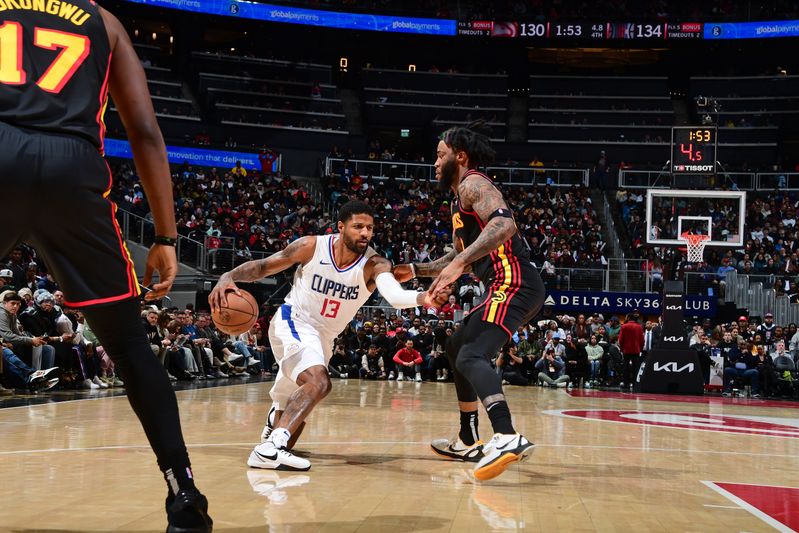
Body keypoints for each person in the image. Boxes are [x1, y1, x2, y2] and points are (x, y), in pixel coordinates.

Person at [0, 2, 211, 529]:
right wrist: (164, 234)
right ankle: (184, 496)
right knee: (129, 346)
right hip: (73, 169)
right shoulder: (105, 21)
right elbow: (143, 131)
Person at [209, 200, 437, 471]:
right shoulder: (311, 246)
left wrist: (423, 297)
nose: (365, 233)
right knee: (320, 382)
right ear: (341, 227)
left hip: (324, 338)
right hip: (293, 320)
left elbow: (395, 296)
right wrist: (228, 276)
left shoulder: (375, 264)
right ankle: (269, 450)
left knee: (294, 419)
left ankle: (276, 423)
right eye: (358, 227)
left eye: (370, 228)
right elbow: (263, 267)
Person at [394, 123, 545, 481]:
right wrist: (416, 270)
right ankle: (468, 437)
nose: (434, 162)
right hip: (504, 282)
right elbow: (457, 255)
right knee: (455, 345)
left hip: (514, 281)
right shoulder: (458, 200)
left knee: (471, 354)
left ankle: (507, 435)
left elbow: (504, 226)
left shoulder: (474, 184)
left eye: (440, 155)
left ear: (460, 157)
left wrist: (461, 263)